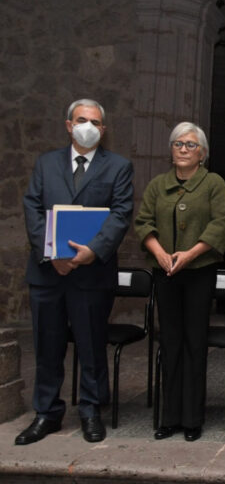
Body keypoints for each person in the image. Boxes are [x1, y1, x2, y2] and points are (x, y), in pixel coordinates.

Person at [18, 99, 134, 445]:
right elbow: (33, 208)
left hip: (91, 274)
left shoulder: (118, 166)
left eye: (96, 122)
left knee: (91, 344)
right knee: (47, 345)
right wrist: (50, 252)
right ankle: (47, 413)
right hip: (47, 272)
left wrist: (92, 252)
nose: (88, 126)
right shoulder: (46, 163)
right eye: (82, 120)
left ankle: (90, 410)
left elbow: (120, 213)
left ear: (104, 129)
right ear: (69, 125)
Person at [134, 122, 225, 442]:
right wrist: (160, 254)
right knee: (170, 344)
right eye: (178, 144)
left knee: (194, 344)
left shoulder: (213, 183)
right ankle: (169, 417)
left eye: (191, 145)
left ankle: (192, 418)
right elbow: (143, 222)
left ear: (202, 153)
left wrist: (189, 255)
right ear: (171, 150)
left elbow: (220, 223)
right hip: (165, 274)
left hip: (199, 272)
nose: (184, 149)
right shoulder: (158, 184)